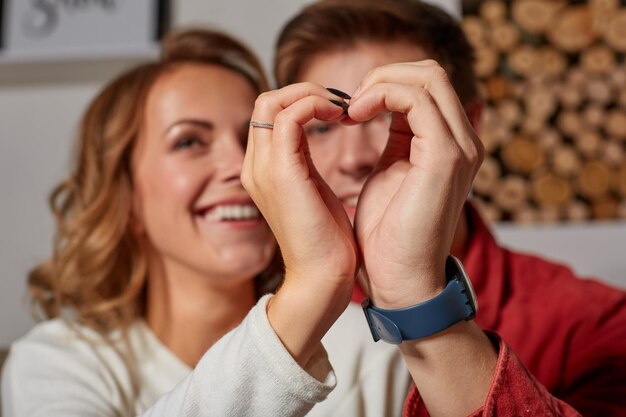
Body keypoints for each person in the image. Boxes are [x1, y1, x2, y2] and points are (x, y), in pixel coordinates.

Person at [1, 29, 381, 416]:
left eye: (251, 138)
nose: (240, 165)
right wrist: (311, 289)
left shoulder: (371, 349)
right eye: (189, 142)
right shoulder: (56, 364)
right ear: (125, 196)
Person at [271, 0, 626, 416]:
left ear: (467, 127)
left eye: (390, 116)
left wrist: (419, 299)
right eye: (322, 126)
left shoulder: (595, 326)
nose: (351, 158)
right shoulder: (256, 308)